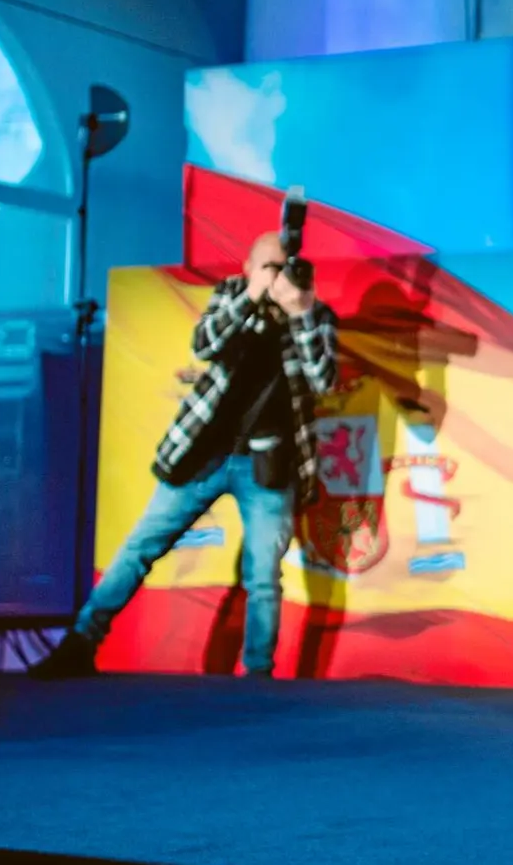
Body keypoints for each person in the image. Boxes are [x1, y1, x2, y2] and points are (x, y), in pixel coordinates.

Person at [32, 233, 339, 680]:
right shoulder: (233, 295)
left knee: (263, 577)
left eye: (286, 266)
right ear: (249, 269)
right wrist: (253, 295)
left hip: (269, 466)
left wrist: (301, 313)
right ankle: (80, 643)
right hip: (202, 455)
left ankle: (259, 677)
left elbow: (323, 380)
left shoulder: (313, 314)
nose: (280, 275)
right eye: (271, 267)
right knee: (139, 547)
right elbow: (204, 345)